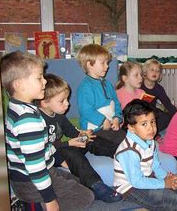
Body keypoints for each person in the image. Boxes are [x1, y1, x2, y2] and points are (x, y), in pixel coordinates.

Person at [0, 51, 94, 210]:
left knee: (77, 181)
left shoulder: (17, 107)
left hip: (31, 175)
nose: (44, 81)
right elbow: (35, 167)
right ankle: (35, 205)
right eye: (39, 78)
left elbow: (43, 145)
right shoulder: (28, 120)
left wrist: (58, 159)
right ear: (20, 84)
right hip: (30, 181)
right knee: (86, 197)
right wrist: (50, 200)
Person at [38, 73, 122, 203]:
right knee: (70, 152)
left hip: (66, 145)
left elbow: (71, 131)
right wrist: (69, 143)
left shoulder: (59, 115)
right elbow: (42, 148)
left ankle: (122, 153)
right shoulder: (37, 120)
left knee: (91, 138)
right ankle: (96, 185)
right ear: (44, 103)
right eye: (62, 101)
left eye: (67, 99)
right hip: (52, 154)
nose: (67, 104)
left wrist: (82, 135)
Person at [76, 44, 125, 145]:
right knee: (118, 143)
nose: (107, 66)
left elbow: (116, 103)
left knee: (127, 138)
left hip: (110, 126)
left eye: (107, 63)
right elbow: (86, 110)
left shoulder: (107, 84)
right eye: (103, 63)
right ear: (90, 64)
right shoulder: (85, 87)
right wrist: (102, 121)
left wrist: (117, 118)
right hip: (93, 131)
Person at [141, 58, 177, 129]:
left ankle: (154, 131)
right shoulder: (139, 85)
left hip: (152, 113)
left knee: (167, 117)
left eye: (157, 71)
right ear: (145, 72)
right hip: (139, 114)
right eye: (152, 70)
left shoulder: (159, 88)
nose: (155, 73)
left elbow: (167, 104)